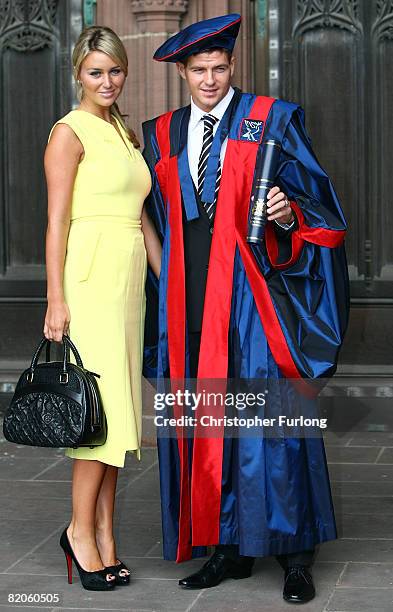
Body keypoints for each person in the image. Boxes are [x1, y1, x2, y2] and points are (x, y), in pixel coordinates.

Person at [141, 13, 350, 605]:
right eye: (199, 70)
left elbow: (320, 208)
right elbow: (154, 220)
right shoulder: (160, 133)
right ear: (182, 71)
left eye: (219, 68)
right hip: (193, 306)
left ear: (233, 65)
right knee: (212, 425)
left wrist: (290, 214)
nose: (210, 79)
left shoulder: (272, 120)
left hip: (256, 302)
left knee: (275, 428)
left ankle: (295, 557)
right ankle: (226, 549)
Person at [44, 26, 160, 591]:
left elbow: (141, 217)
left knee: (115, 419)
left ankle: (107, 536)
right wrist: (55, 298)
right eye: (96, 71)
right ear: (78, 74)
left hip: (127, 283)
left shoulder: (123, 131)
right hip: (89, 284)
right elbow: (57, 221)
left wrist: (171, 279)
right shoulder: (70, 133)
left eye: (115, 70)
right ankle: (78, 531)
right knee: (96, 420)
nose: (107, 80)